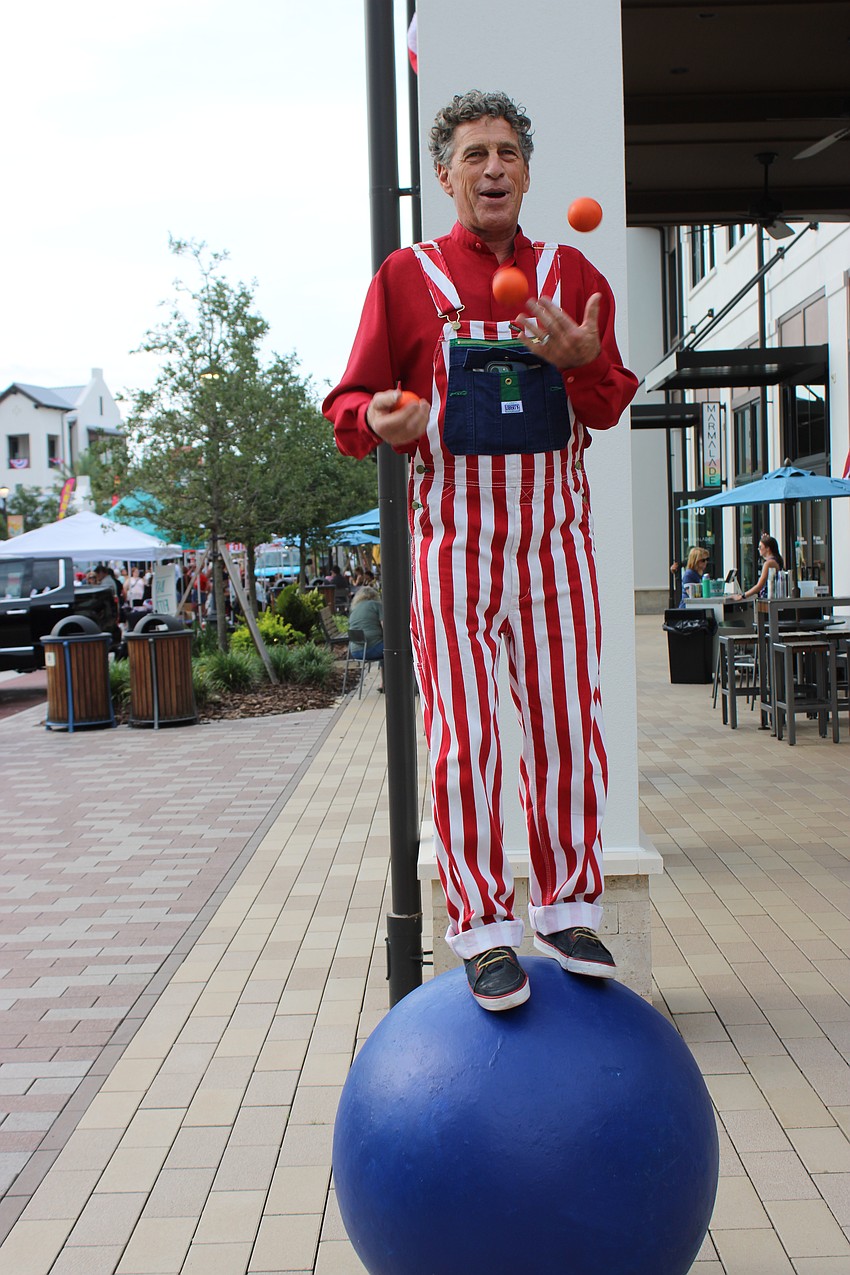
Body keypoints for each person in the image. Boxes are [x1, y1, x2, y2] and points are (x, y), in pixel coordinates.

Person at [324, 90, 637, 1012]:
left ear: (528, 172)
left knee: (566, 729)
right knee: (464, 742)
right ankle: (486, 929)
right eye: (474, 155)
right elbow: (351, 404)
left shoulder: (572, 271)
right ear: (446, 176)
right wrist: (381, 415)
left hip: (555, 540)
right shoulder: (405, 278)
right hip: (452, 542)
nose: (493, 168)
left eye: (507, 152)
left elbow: (609, 401)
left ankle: (571, 906)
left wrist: (580, 358)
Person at [348, 585, 384, 691]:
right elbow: (385, 627)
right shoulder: (376, 605)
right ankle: (388, 684)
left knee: (385, 649)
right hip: (371, 649)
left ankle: (384, 684)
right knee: (391, 649)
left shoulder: (354, 609)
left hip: (355, 651)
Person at [735, 532, 783, 600]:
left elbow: (760, 585)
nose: (758, 549)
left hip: (768, 599)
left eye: (760, 547)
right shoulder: (777, 560)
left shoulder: (768, 563)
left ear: (767, 548)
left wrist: (743, 596)